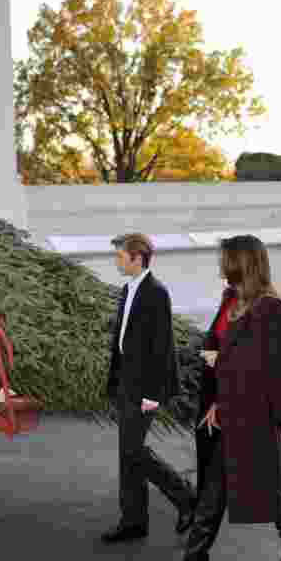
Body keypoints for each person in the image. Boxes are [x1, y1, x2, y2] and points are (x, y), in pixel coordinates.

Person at [162, 234, 281, 561]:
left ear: (241, 262)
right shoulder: (231, 301)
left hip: (251, 415)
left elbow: (270, 367)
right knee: (228, 489)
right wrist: (208, 360)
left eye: (224, 258)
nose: (219, 264)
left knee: (250, 487)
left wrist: (222, 386)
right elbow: (217, 343)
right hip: (226, 409)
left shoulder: (270, 309)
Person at [102, 233, 196, 544]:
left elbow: (162, 347)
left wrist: (152, 395)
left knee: (133, 451)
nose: (117, 260)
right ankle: (133, 520)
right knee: (127, 454)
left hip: (144, 386)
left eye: (120, 256)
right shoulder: (127, 290)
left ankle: (185, 496)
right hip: (126, 382)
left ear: (137, 257)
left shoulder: (156, 293)